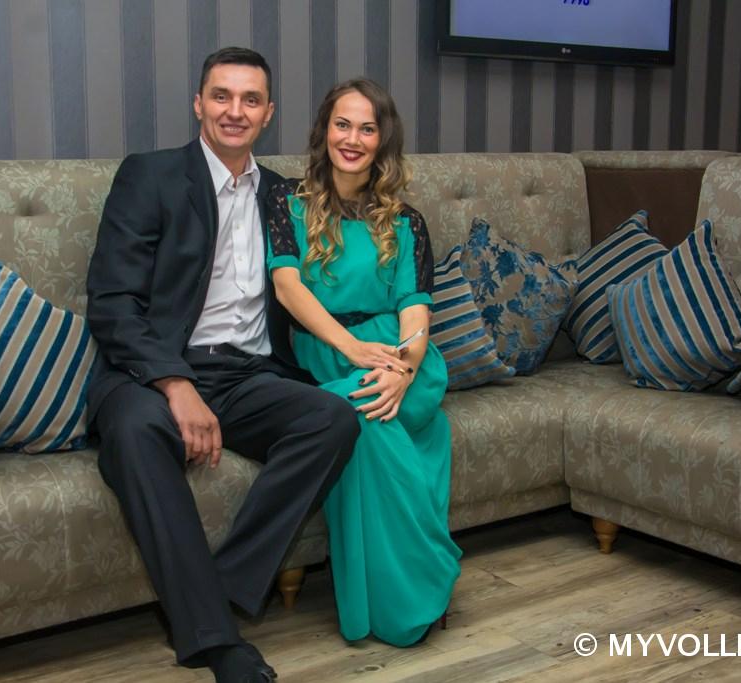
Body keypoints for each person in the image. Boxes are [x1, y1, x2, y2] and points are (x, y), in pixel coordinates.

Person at [85, 47, 359, 683]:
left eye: (250, 100)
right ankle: (216, 640)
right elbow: (112, 303)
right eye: (221, 96)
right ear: (198, 104)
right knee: (135, 432)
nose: (235, 111)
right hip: (152, 374)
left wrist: (388, 346)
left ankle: (220, 588)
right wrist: (175, 383)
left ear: (268, 113)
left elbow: (333, 278)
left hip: (249, 377)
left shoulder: (285, 196)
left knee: (333, 420)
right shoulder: (150, 176)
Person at [265, 78, 462, 647]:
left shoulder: (406, 220)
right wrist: (351, 349)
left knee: (371, 412)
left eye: (367, 128)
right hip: (328, 350)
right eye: (342, 124)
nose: (352, 139)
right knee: (362, 417)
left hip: (403, 356)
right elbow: (288, 289)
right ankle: (421, 579)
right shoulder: (287, 202)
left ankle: (414, 592)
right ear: (324, 131)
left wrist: (403, 369)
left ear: (383, 140)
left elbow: (414, 311)